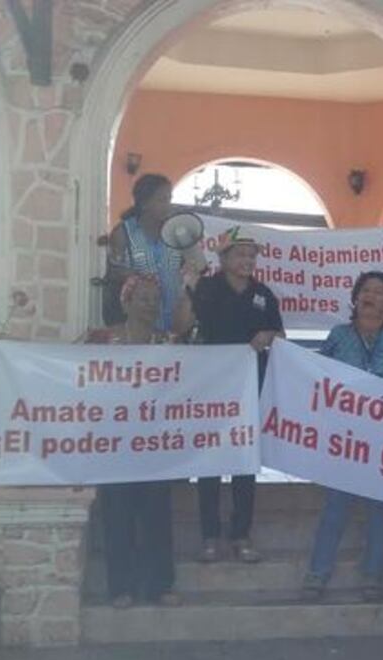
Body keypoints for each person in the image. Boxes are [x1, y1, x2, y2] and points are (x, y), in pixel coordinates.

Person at [302, 272, 383, 602]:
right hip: (344, 436)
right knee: (335, 505)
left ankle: (373, 576)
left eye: (379, 292)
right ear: (355, 298)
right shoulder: (339, 334)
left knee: (378, 508)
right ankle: (317, 574)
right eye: (365, 290)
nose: (371, 296)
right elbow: (318, 373)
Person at [85, 274, 182, 609]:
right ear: (126, 302)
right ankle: (120, 588)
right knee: (117, 516)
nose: (151, 305)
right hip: (112, 444)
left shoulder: (167, 341)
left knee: (157, 517)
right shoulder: (100, 339)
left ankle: (160, 585)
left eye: (156, 299)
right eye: (143, 298)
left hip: (154, 444)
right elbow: (66, 369)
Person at [190, 232, 284, 563]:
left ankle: (241, 533)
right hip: (212, 386)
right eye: (240, 254)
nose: (247, 261)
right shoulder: (208, 288)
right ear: (224, 258)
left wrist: (268, 334)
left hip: (250, 386)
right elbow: (194, 324)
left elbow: (279, 333)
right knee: (210, 461)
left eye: (251, 256)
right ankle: (210, 535)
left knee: (245, 461)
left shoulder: (263, 294)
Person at [105, 174, 191, 333]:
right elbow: (112, 274)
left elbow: (192, 269)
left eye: (169, 199)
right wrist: (135, 277)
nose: (168, 205)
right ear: (144, 203)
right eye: (161, 200)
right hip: (137, 327)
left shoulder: (176, 233)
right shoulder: (124, 233)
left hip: (174, 324)